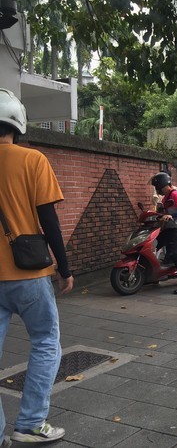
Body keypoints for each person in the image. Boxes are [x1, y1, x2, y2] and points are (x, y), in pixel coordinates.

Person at [0, 88, 73, 444]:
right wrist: (66, 267)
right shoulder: (32, 160)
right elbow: (50, 221)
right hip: (29, 275)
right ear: (18, 122)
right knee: (45, 342)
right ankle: (29, 424)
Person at [151, 172, 177, 294]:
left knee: (174, 253)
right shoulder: (165, 198)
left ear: (162, 185)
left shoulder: (175, 194)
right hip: (170, 228)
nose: (157, 191)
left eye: (157, 188)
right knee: (153, 245)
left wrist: (171, 215)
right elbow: (164, 214)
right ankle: (154, 274)